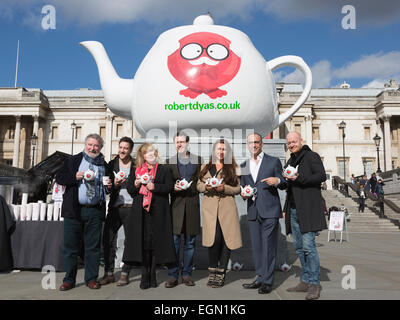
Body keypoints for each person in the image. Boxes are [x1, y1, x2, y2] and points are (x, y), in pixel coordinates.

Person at [56, 133, 111, 291]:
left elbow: (106, 187)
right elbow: (60, 178)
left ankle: (91, 279)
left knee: (92, 247)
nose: (93, 148)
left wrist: (108, 187)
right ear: (85, 145)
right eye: (90, 145)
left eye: (96, 146)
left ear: (100, 148)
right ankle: (69, 279)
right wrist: (75, 176)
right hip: (74, 210)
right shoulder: (73, 160)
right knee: (70, 246)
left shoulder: (104, 164)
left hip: (94, 210)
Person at [123, 143, 176, 289]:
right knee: (144, 245)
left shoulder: (163, 169)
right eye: (147, 153)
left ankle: (153, 275)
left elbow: (170, 188)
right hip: (141, 213)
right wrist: (135, 184)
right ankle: (144, 276)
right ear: (143, 156)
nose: (150, 154)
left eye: (152, 152)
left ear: (156, 153)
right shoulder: (137, 170)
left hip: (158, 212)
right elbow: (130, 190)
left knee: (154, 245)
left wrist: (156, 187)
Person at [240, 133, 287, 294]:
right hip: (253, 211)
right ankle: (260, 277)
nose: (254, 145)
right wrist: (244, 193)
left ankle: (268, 281)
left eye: (257, 142)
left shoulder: (273, 161)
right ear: (248, 145)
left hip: (270, 210)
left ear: (262, 144)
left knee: (269, 246)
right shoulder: (244, 165)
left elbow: (284, 182)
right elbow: (243, 187)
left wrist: (277, 181)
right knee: (257, 247)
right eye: (251, 142)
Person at [283, 131, 327, 300]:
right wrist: (282, 181)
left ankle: (314, 284)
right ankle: (305, 280)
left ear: (301, 140)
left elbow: (321, 176)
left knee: (309, 247)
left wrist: (298, 178)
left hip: (308, 209)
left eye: (294, 141)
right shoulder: (290, 160)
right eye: (289, 143)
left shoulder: (311, 156)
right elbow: (289, 183)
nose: (291, 145)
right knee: (299, 248)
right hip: (294, 209)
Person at [197, 139, 242, 288]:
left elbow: (237, 189)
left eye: (223, 149)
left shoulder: (233, 168)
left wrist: (225, 189)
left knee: (226, 240)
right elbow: (198, 185)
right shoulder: (206, 166)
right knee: (213, 239)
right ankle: (212, 271)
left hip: (227, 208)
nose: (221, 152)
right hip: (210, 209)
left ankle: (221, 273)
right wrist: (207, 187)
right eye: (218, 149)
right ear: (214, 151)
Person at [165, 132, 202, 288]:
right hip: (176, 207)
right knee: (174, 243)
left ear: (188, 143)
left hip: (192, 205)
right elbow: (166, 185)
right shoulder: (169, 162)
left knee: (190, 243)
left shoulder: (198, 160)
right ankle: (173, 275)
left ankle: (187, 274)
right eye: (177, 142)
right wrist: (173, 188)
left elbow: (201, 182)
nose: (179, 144)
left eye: (182, 141)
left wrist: (194, 188)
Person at [100, 137, 136, 286]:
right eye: (120, 147)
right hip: (115, 206)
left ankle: (125, 273)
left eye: (125, 148)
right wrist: (113, 185)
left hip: (131, 207)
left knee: (130, 242)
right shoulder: (111, 165)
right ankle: (108, 273)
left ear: (130, 150)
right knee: (107, 240)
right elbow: (106, 186)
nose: (122, 150)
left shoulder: (136, 165)